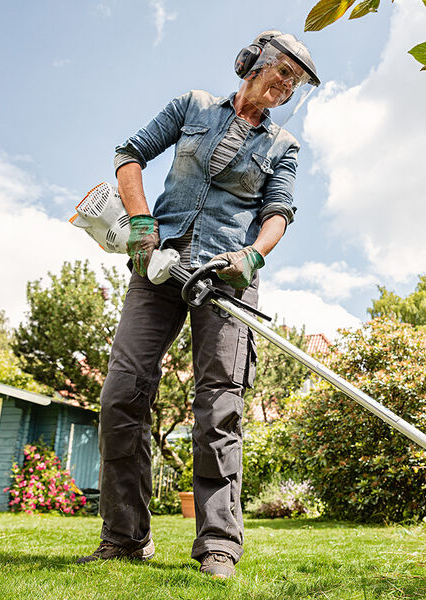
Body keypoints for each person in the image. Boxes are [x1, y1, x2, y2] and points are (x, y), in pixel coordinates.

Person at [76, 31, 319, 579]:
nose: (285, 85)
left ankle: (218, 545)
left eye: (295, 82)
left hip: (225, 279)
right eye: (281, 71)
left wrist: (252, 257)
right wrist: (142, 226)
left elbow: (278, 211)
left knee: (219, 409)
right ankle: (124, 537)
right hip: (159, 265)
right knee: (121, 394)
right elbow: (129, 154)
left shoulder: (283, 146)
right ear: (251, 62)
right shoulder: (192, 106)